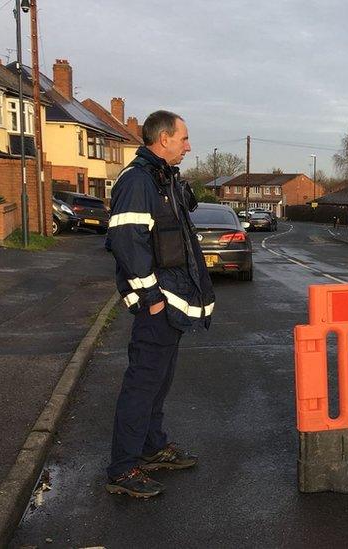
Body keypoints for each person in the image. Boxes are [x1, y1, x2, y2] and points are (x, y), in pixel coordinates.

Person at [105, 110, 216, 498]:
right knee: (142, 385)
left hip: (170, 303)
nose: (188, 146)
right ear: (163, 138)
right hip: (158, 304)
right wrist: (150, 298)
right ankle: (123, 469)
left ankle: (152, 448)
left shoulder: (162, 178)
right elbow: (126, 243)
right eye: (183, 139)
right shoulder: (138, 181)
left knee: (158, 382)